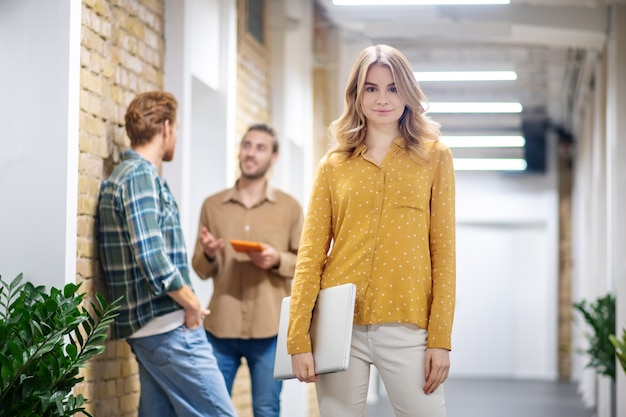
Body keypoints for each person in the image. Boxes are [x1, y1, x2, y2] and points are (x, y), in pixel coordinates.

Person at [287, 44, 456, 417]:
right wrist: (297, 338)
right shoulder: (333, 165)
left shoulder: (435, 156)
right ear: (357, 94)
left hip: (407, 321)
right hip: (337, 323)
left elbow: (443, 253)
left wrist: (440, 339)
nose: (382, 99)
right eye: (371, 88)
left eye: (393, 88)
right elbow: (311, 254)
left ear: (408, 93)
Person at [97, 91, 238, 417]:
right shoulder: (140, 177)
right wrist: (192, 304)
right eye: (175, 128)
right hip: (167, 327)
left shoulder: (127, 176)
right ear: (165, 127)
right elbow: (152, 257)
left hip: (152, 329)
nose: (175, 135)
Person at [191, 123, 304, 417]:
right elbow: (200, 269)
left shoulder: (290, 208)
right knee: (210, 408)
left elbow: (304, 264)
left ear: (274, 157)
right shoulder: (213, 205)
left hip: (270, 330)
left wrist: (276, 259)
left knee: (266, 409)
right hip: (220, 327)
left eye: (260, 147)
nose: (251, 154)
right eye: (247, 145)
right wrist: (210, 254)